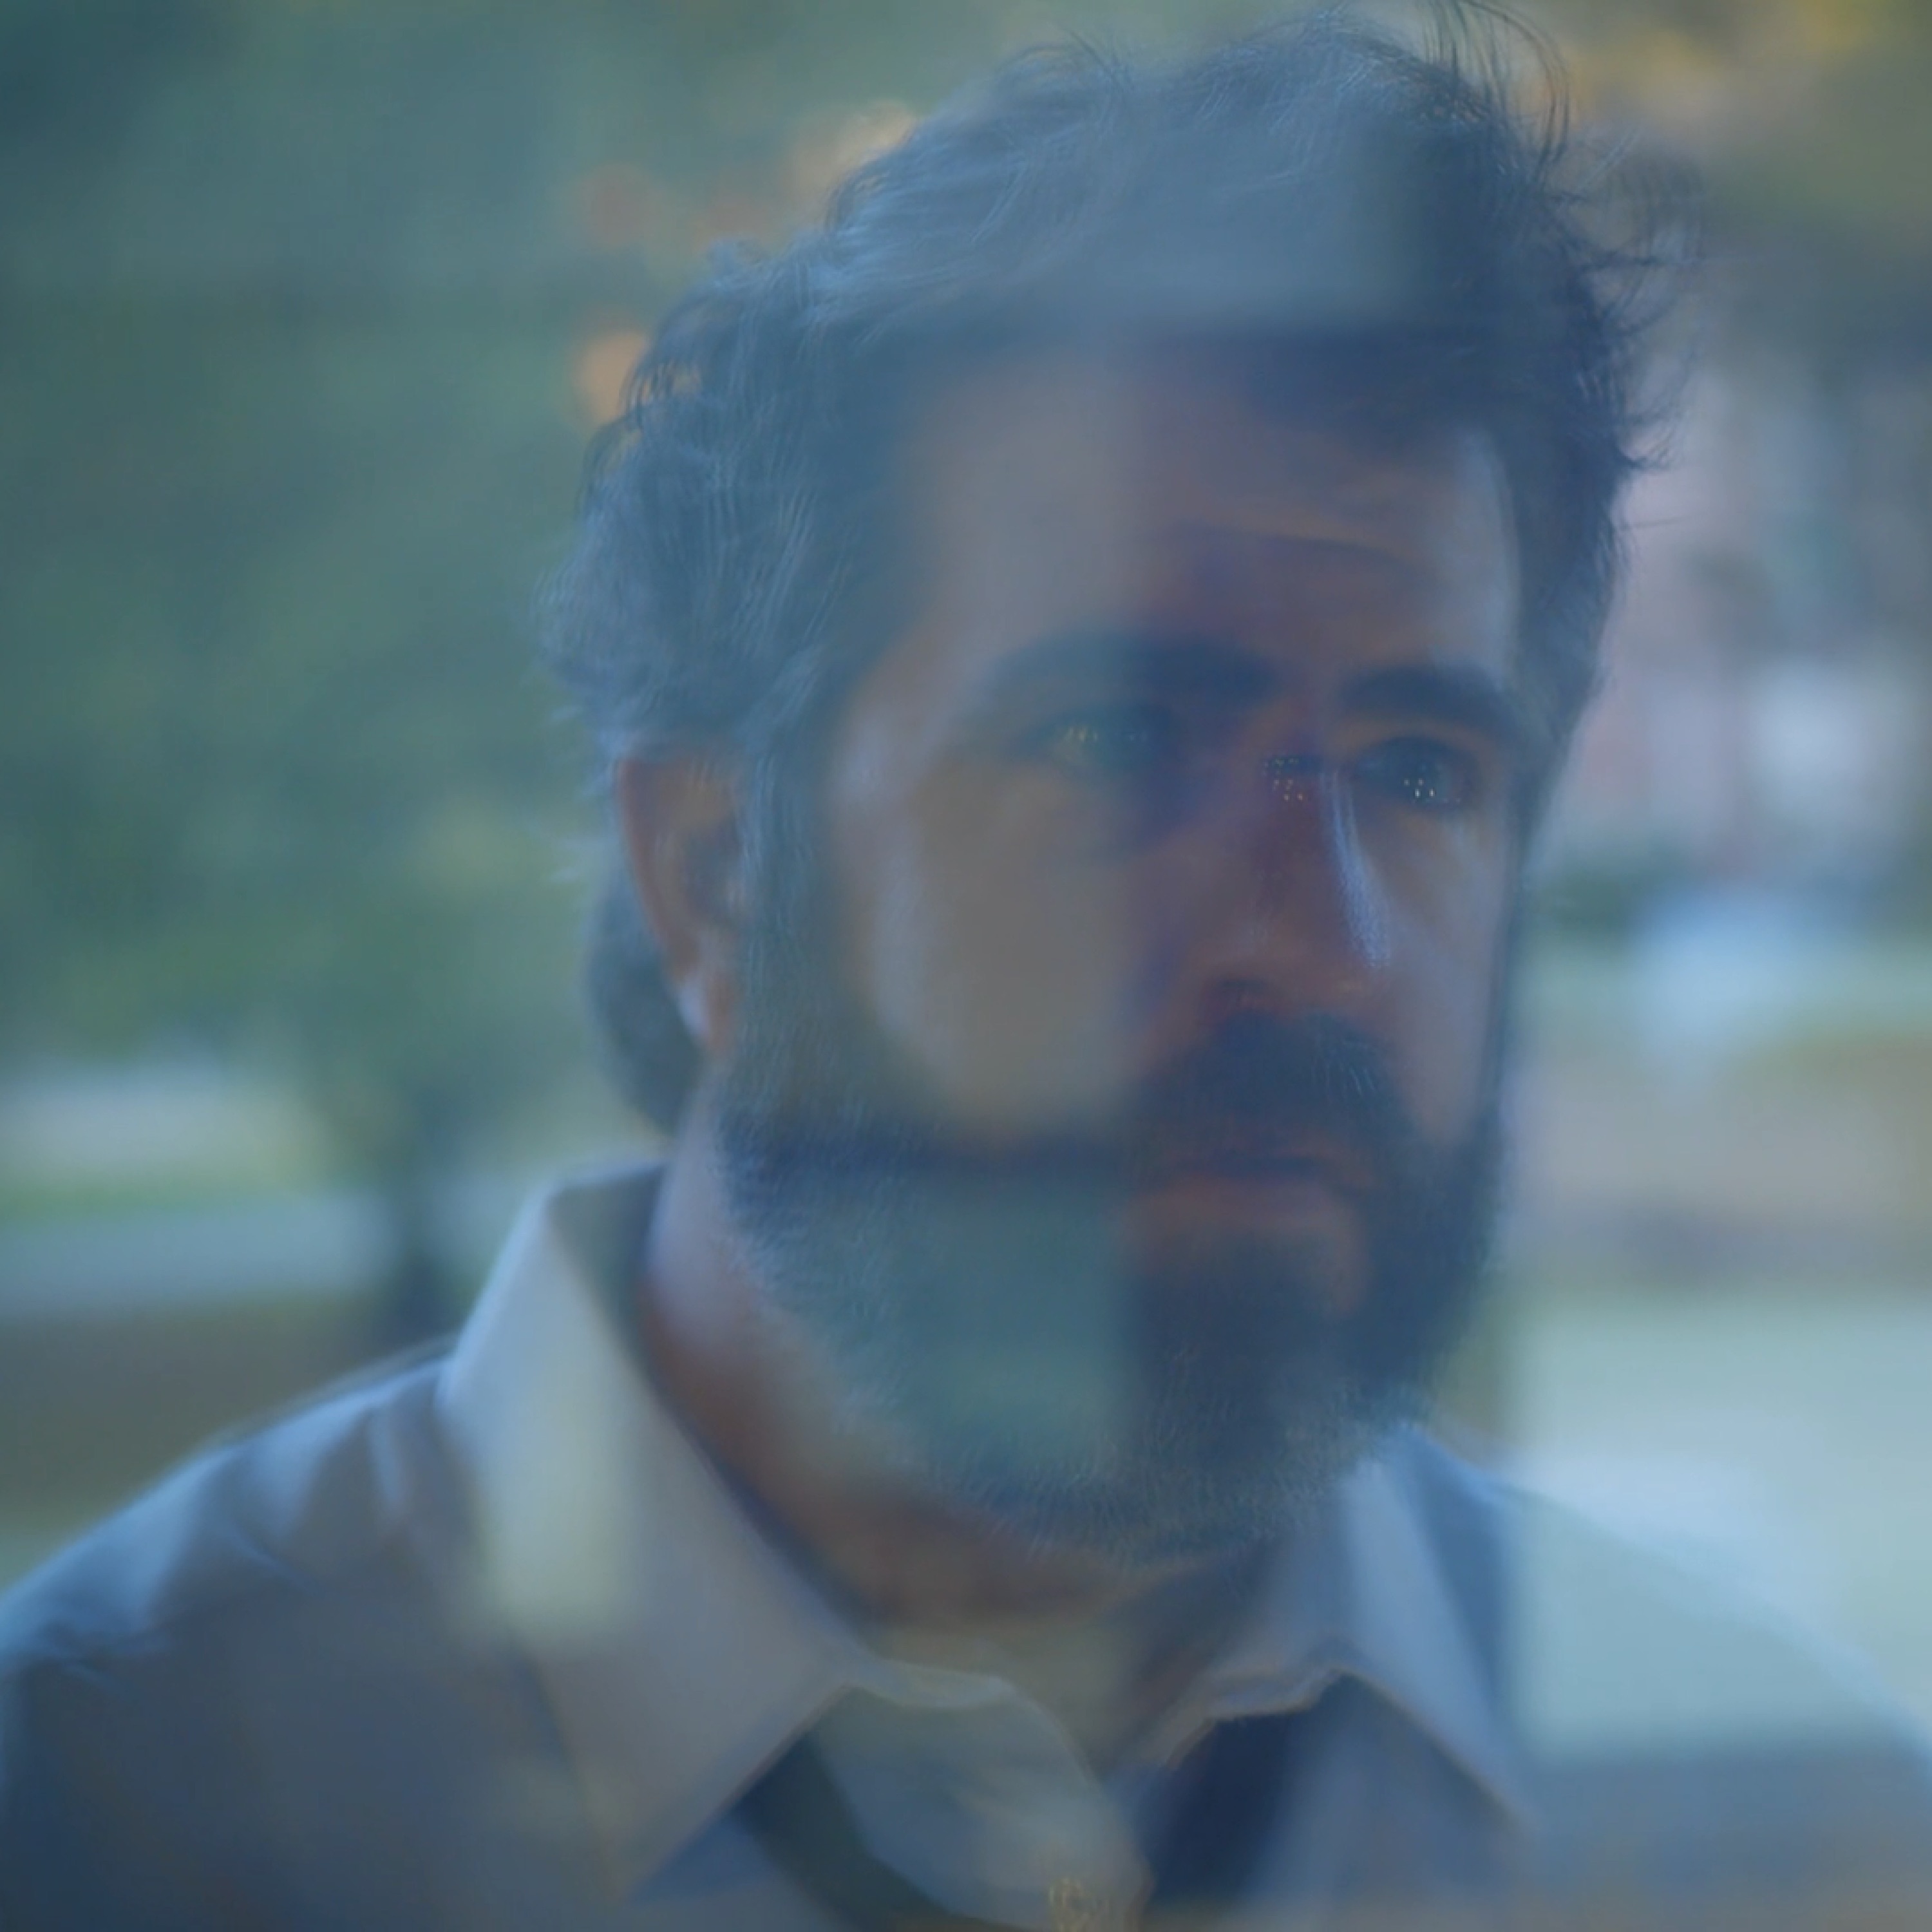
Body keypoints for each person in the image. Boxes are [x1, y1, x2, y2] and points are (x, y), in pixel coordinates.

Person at [3, 10, 1930, 1928]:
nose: (1323, 936)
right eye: (1119, 740)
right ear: (716, 871)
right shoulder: (112, 1804)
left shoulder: (1794, 1842)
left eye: (1421, 770)